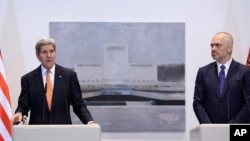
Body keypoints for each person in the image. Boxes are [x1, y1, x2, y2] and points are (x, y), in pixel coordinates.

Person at [11, 38, 96, 125]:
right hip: (37, 133)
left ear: (55, 53)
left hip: (63, 132)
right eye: (44, 52)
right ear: (38, 55)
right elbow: (23, 105)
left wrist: (89, 121)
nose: (49, 55)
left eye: (51, 51)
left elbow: (79, 105)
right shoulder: (28, 79)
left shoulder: (69, 76)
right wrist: (19, 113)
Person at [193, 32, 250, 123]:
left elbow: (248, 104)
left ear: (229, 48)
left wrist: (231, 126)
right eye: (212, 46)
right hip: (210, 132)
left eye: (218, 45)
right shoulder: (203, 72)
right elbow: (198, 103)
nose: (213, 49)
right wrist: (209, 126)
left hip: (235, 131)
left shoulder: (244, 72)